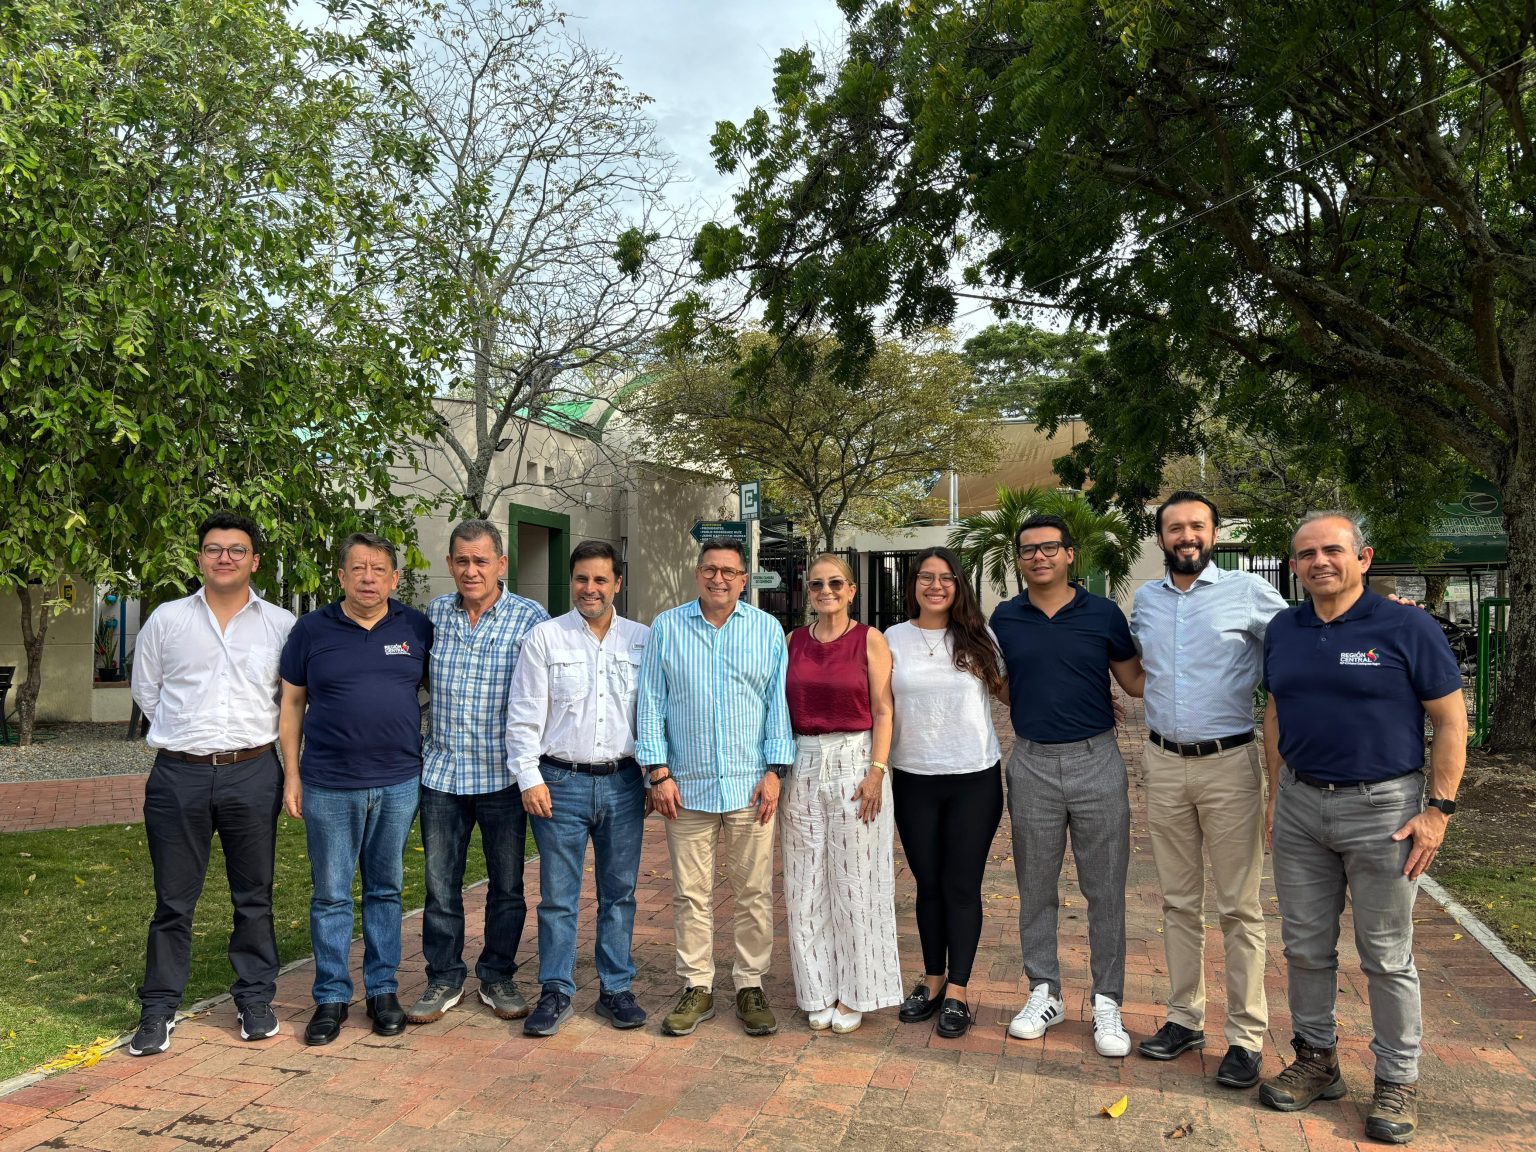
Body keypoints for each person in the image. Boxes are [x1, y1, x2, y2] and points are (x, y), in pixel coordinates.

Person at [1259, 512, 1465, 1144]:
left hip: (1385, 811)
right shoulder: (1284, 629)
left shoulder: (1406, 626)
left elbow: (1450, 720)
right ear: (1294, 566)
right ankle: (1316, 1060)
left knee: (1385, 954)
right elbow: (1275, 711)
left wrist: (1438, 810)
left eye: (1332, 550)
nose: (1319, 562)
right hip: (1300, 805)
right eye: (1306, 554)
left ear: (1363, 557)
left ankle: (1397, 1079)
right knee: (1304, 947)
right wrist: (1276, 794)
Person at [1131, 492, 1288, 1089]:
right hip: (1163, 762)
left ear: (1214, 534)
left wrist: (1378, 614)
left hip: (1230, 763)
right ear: (1161, 538)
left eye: (1196, 525)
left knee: (1239, 907)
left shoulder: (1249, 592)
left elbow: (1307, 635)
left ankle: (1246, 1037)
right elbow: (1137, 672)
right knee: (1177, 901)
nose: (1186, 536)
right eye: (1175, 528)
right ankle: (1183, 1018)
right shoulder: (1146, 600)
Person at [126, 511, 296, 1055]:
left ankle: (255, 998)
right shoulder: (168, 619)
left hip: (253, 772)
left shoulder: (281, 624)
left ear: (254, 561)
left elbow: (290, 699)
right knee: (173, 901)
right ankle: (158, 1009)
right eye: (214, 548)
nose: (225, 557)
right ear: (200, 558)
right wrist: (186, 734)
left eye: (236, 549)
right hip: (180, 774)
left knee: (254, 896)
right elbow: (146, 690)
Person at [993, 514, 1143, 1058]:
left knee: (1105, 889)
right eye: (1028, 550)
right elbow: (1002, 684)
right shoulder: (1005, 617)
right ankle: (1045, 991)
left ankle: (1107, 1000)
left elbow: (1134, 682)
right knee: (1035, 886)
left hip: (1096, 760)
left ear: (1070, 554)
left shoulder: (1103, 614)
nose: (1039, 557)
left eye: (1049, 548)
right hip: (1031, 761)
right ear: (1018, 559)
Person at [279, 532, 433, 1047]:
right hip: (328, 784)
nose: (369, 578)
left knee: (386, 890)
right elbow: (292, 704)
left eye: (379, 569)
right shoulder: (310, 630)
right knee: (331, 894)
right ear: (342, 576)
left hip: (398, 782)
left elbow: (440, 690)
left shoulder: (415, 627)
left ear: (394, 578)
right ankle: (331, 997)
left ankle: (383, 991)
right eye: (359, 568)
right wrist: (292, 775)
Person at [637, 537, 794, 1038]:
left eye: (729, 571)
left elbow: (777, 706)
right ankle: (697, 984)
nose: (718, 578)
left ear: (744, 579)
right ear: (697, 573)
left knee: (754, 892)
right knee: (690, 893)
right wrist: (658, 772)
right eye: (710, 569)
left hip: (751, 787)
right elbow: (650, 703)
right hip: (686, 787)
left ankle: (750, 984)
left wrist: (775, 771)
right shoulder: (667, 627)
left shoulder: (767, 630)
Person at [405, 520, 548, 1027]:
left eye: (481, 561)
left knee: (507, 886)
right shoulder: (434, 615)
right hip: (442, 775)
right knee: (440, 886)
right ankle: (444, 976)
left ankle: (497, 974)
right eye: (462, 561)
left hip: (502, 777)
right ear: (449, 564)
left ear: (501, 564)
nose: (471, 570)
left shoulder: (531, 618)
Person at [504, 540, 649, 1036]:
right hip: (559, 783)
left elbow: (654, 714)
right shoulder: (545, 639)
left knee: (620, 893)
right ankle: (556, 990)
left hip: (624, 783)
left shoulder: (642, 641)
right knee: (558, 896)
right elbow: (523, 714)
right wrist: (529, 778)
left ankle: (616, 988)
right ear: (572, 582)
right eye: (582, 579)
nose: (591, 588)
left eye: (601, 579)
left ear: (617, 584)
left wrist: (654, 774)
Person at [887, 546, 1005, 1040]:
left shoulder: (979, 637)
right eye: (926, 577)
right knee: (927, 883)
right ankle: (933, 978)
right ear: (913, 583)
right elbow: (878, 706)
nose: (935, 586)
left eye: (946, 578)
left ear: (959, 586)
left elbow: (1009, 692)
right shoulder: (891, 638)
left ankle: (958, 989)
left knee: (962, 885)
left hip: (973, 778)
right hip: (913, 778)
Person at [781, 553, 900, 1035]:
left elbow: (884, 710)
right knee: (804, 882)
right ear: (807, 592)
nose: (825, 591)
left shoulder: (869, 639)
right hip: (803, 761)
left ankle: (858, 990)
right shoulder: (793, 641)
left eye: (835, 583)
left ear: (852, 590)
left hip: (856, 759)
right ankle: (816, 989)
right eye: (816, 584)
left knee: (857, 879)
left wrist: (877, 770)